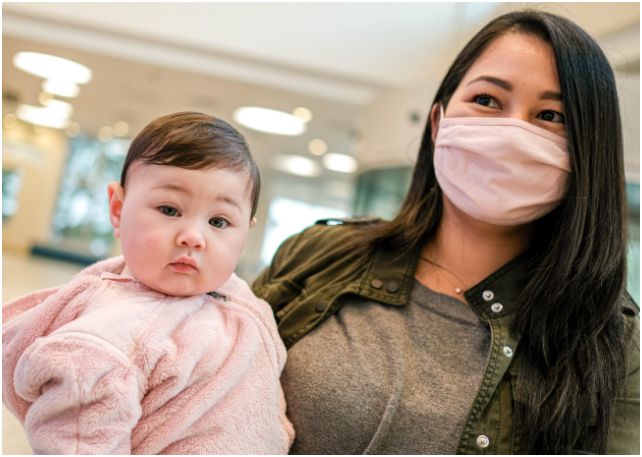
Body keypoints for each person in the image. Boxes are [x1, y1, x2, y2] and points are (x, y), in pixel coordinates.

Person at [252, 10, 639, 455]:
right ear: (438, 123)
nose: (511, 132)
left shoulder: (610, 342)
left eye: (550, 115)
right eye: (488, 101)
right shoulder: (318, 255)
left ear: (587, 154)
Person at [3, 112, 294, 454]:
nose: (193, 237)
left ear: (246, 232)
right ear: (118, 209)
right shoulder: (109, 338)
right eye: (170, 210)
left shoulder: (235, 295)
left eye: (219, 221)